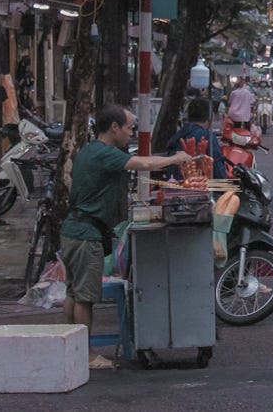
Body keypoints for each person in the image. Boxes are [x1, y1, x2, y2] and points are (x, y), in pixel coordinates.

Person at [61, 105, 191, 369]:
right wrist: (175, 158)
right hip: (85, 233)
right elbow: (143, 163)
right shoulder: (104, 153)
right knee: (84, 297)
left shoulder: (90, 151)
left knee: (74, 293)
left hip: (75, 229)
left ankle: (70, 348)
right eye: (130, 127)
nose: (132, 132)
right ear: (114, 128)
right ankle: (84, 356)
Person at [164, 98, 226, 180]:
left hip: (175, 186)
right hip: (199, 189)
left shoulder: (177, 135)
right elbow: (218, 170)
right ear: (210, 118)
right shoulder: (207, 137)